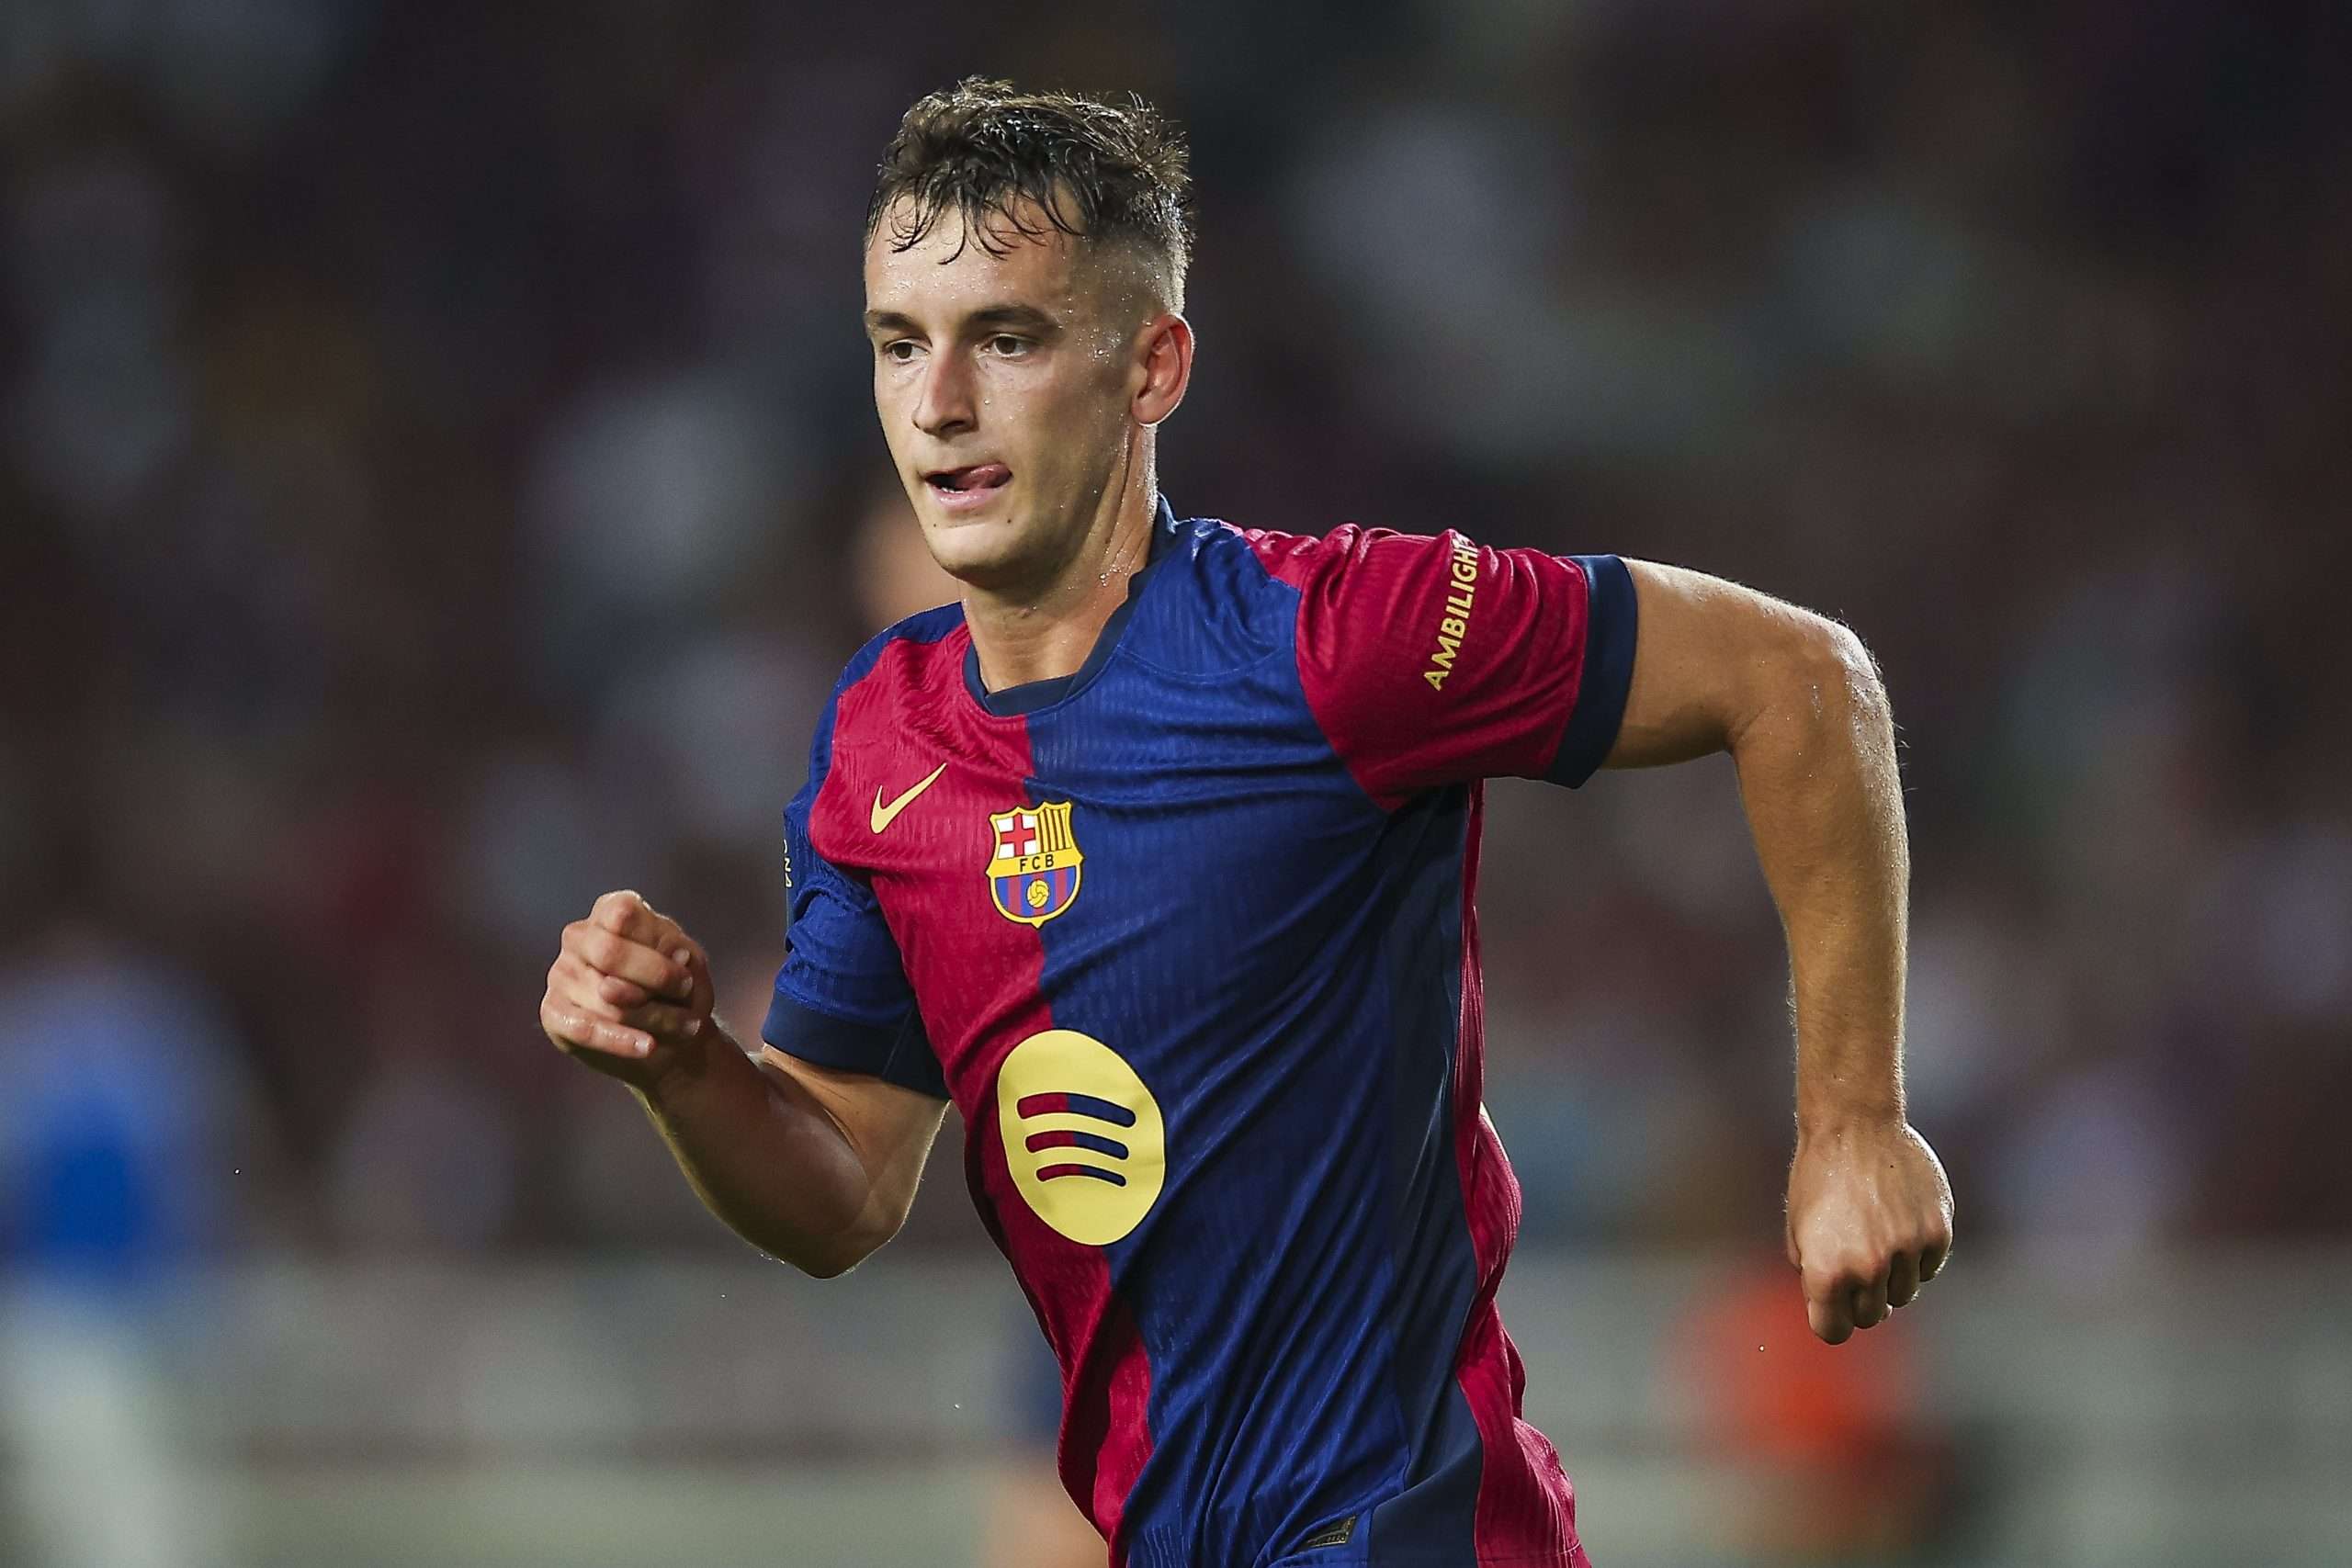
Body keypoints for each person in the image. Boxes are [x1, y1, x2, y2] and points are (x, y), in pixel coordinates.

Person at [538, 78, 1954, 1568]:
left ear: (1152, 367)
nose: (939, 403)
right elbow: (840, 1192)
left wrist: (1853, 1121)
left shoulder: (1334, 636)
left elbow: (1800, 678)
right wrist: (685, 1069)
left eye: (1006, 340)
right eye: (902, 344)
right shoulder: (878, 744)